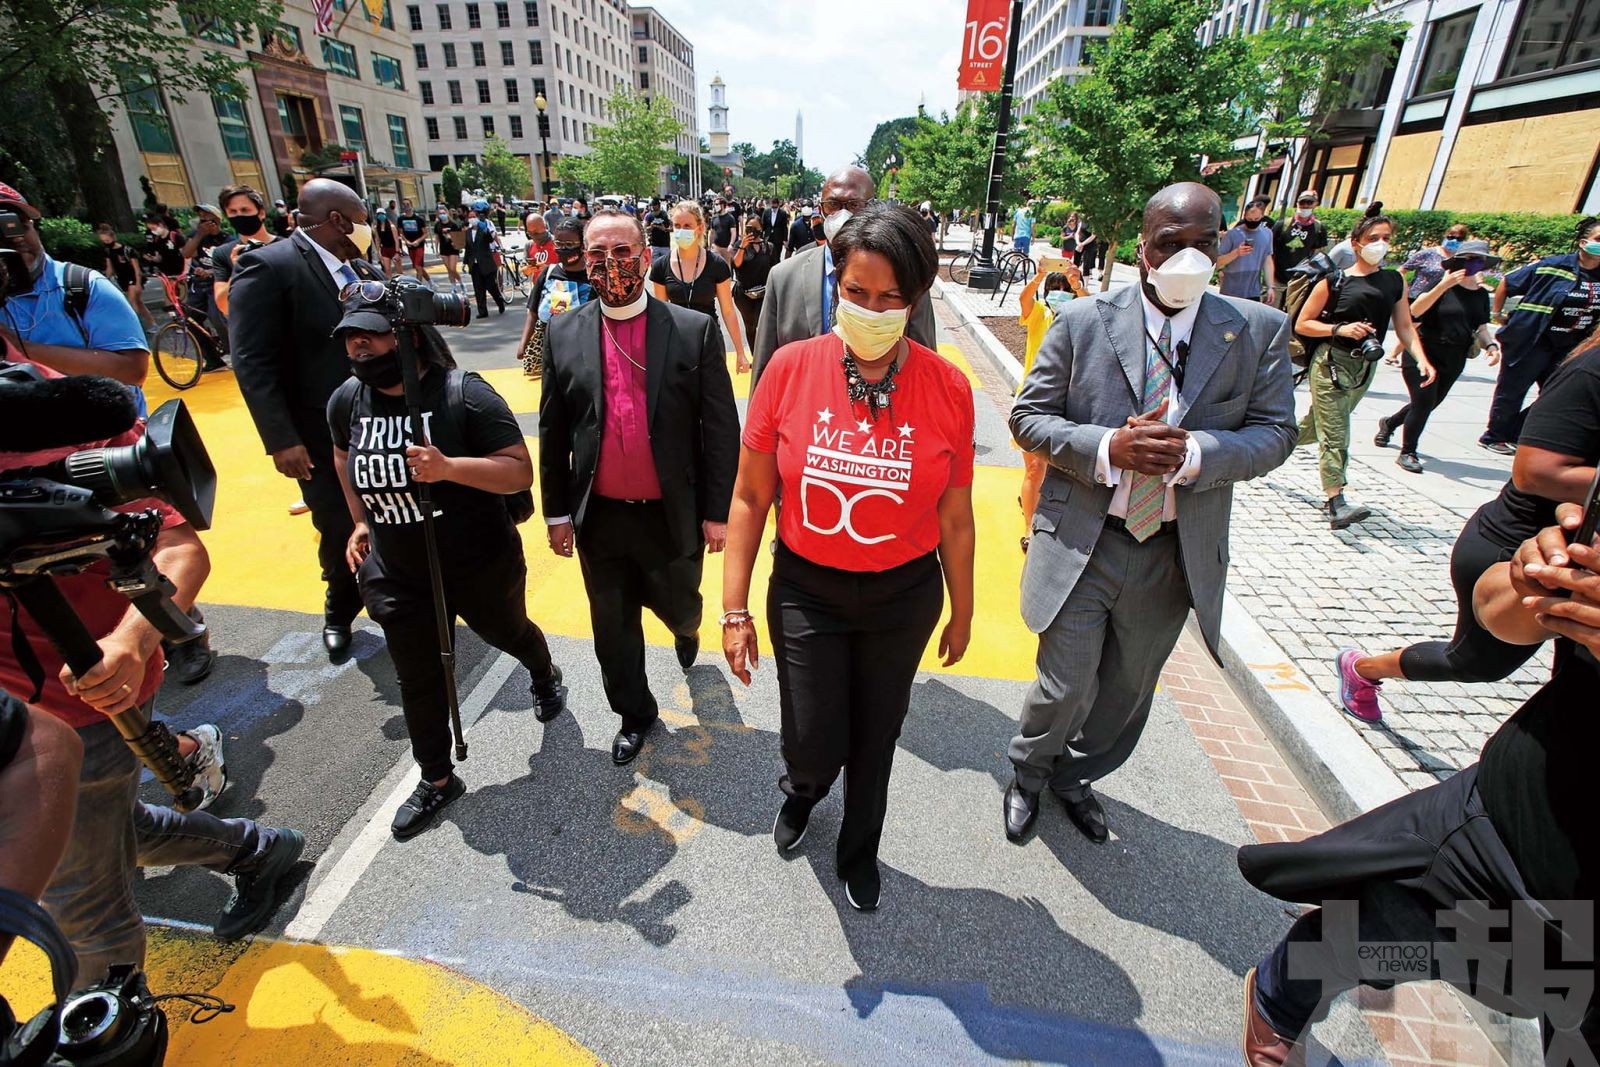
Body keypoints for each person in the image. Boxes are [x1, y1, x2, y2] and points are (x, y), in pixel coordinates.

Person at [1239, 506, 1600, 1066]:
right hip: (1514, 840)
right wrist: (1529, 580)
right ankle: (1279, 995)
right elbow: (1494, 610)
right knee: (1372, 945)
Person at [0, 333, 301, 983]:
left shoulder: (66, 413)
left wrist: (132, 644)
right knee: (110, 830)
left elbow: (179, 548)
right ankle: (256, 849)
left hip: (78, 699)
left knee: (82, 910)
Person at [1004, 181, 1298, 845]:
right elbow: (1028, 417)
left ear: (1222, 246)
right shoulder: (1082, 321)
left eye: (1204, 242)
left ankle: (1076, 775)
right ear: (1143, 249)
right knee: (1065, 679)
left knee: (1127, 690)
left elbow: (1276, 432)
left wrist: (1197, 453)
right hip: (1085, 537)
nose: (1188, 257)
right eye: (1171, 243)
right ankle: (1028, 770)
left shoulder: (1255, 331)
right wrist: (1110, 446)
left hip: (1169, 551)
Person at [721, 203, 975, 912]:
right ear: (835, 283)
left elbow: (955, 517)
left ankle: (859, 846)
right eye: (855, 291)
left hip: (903, 597)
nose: (870, 308)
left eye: (889, 297)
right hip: (807, 590)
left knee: (877, 734)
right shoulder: (788, 371)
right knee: (812, 738)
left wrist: (964, 609)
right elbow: (748, 497)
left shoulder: (949, 388)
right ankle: (803, 788)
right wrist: (734, 607)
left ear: (916, 298)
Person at [328, 288, 566, 839]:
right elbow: (342, 454)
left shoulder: (465, 394)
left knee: (508, 630)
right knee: (419, 677)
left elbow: (517, 471)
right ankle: (436, 778)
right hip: (397, 569)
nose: (360, 346)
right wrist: (360, 519)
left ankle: (543, 671)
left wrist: (447, 467)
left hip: (477, 560)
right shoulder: (347, 400)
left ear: (409, 335)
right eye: (350, 338)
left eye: (372, 334)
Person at [538, 209, 739, 766]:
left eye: (623, 252)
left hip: (670, 512)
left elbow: (721, 428)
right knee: (612, 628)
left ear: (644, 255)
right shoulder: (564, 331)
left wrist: (717, 511)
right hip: (600, 517)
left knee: (680, 606)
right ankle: (634, 713)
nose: (611, 264)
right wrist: (556, 513)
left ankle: (686, 626)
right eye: (597, 253)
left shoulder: (692, 330)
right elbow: (554, 431)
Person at [1335, 332, 1599, 722]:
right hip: (1515, 548)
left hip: (1579, 561)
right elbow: (1534, 471)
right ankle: (1362, 668)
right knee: (1475, 663)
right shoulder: (1592, 371)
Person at [228, 178, 384, 662]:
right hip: (316, 433)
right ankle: (340, 610)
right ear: (338, 220)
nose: (367, 226)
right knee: (340, 522)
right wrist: (281, 439)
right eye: (361, 216)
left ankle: (396, 603)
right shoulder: (269, 266)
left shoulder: (361, 268)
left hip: (377, 419)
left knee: (391, 514)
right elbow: (252, 360)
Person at [1293, 211, 1432, 529]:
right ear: (1356, 244)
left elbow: (1405, 326)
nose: (1380, 244)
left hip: (1365, 366)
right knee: (1336, 433)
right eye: (1373, 239)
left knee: (1317, 428)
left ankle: (1275, 442)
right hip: (1331, 363)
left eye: (1386, 238)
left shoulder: (1395, 281)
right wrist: (1340, 329)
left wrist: (1421, 358)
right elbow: (1303, 323)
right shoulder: (1335, 281)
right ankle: (1336, 501)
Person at [752, 167, 937, 385]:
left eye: (854, 205)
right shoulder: (783, 277)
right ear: (820, 209)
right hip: (803, 412)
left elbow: (925, 364)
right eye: (832, 205)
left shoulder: (905, 275)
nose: (842, 215)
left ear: (872, 206)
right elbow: (764, 370)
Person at [0, 182, 150, 417]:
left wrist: (21, 349)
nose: (16, 238)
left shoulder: (83, 285)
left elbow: (133, 370)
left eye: (21, 225)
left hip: (104, 443)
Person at [1374, 239, 1501, 473]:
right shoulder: (1440, 285)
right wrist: (1443, 285)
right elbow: (1415, 311)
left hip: (1455, 357)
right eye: (1469, 259)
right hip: (1423, 352)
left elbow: (1481, 328)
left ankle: (1390, 422)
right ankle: (1408, 451)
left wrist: (1491, 346)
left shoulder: (1481, 295)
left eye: (1479, 260)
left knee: (1429, 403)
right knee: (1422, 403)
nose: (1473, 264)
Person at [1480, 217, 1600, 455]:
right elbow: (1507, 282)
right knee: (1513, 390)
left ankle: (1517, 430)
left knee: (1559, 392)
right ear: (1584, 242)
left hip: (1570, 345)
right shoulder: (1553, 266)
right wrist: (1497, 314)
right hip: (1532, 340)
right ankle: (1495, 436)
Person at [1015, 264, 1088, 552]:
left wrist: (1078, 284)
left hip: (1067, 404)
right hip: (1033, 401)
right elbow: (1024, 300)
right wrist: (1039, 276)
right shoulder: (1039, 315)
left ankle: (1037, 504)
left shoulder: (1079, 319)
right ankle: (1029, 529)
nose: (1060, 294)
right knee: (1034, 468)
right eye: (1054, 290)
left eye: (1065, 290)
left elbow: (1095, 308)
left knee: (1052, 471)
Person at [648, 200, 750, 373]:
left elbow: (728, 311)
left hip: (709, 342)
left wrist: (740, 352)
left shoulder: (716, 264)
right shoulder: (660, 267)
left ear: (700, 228)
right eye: (677, 225)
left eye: (687, 226)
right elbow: (660, 314)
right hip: (677, 343)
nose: (682, 230)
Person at [517, 216, 592, 378]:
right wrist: (524, 342)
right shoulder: (549, 272)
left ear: (582, 245)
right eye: (559, 244)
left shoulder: (593, 276)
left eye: (570, 244)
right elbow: (533, 310)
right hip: (549, 345)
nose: (564, 249)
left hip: (581, 348)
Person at [1268, 190, 1329, 309]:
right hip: (1277, 277)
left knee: (1291, 314)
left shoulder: (1318, 228)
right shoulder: (1282, 225)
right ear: (1297, 203)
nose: (1305, 206)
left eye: (1309, 202)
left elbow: (1318, 253)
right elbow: (1269, 250)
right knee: (1271, 312)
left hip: (1299, 280)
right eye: (1302, 202)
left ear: (1315, 204)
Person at [1216, 197, 1277, 303]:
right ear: (1244, 216)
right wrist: (1236, 253)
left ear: (1262, 217)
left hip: (1253, 290)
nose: (1252, 222)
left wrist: (1270, 286)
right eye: (1249, 219)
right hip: (1231, 290)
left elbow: (1267, 261)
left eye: (1256, 220)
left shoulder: (1267, 234)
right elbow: (1217, 263)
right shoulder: (1232, 234)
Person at [731, 217, 775, 359]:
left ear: (761, 229)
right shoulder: (739, 245)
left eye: (754, 228)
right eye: (748, 228)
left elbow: (775, 269)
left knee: (765, 325)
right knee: (750, 326)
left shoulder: (768, 247)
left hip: (764, 293)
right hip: (744, 295)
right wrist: (743, 246)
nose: (751, 231)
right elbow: (736, 264)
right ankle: (756, 357)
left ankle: (766, 356)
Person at [95, 223, 150, 330]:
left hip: (132, 278)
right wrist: (105, 279)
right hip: (122, 278)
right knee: (139, 303)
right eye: (104, 241)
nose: (106, 243)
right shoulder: (108, 251)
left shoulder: (127, 250)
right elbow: (109, 267)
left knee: (132, 302)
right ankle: (151, 323)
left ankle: (136, 327)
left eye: (107, 241)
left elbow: (136, 268)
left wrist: (138, 283)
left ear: (113, 238)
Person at [462, 200, 506, 318]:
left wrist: (486, 230)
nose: (471, 219)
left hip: (486, 263)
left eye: (473, 217)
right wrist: (465, 262)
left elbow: (490, 240)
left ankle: (499, 302)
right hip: (475, 265)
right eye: (469, 217)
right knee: (478, 288)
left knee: (491, 287)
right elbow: (468, 249)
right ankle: (482, 311)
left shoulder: (483, 228)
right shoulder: (468, 232)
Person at [396, 200, 429, 284]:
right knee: (417, 267)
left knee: (418, 266)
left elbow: (425, 234)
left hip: (419, 245)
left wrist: (418, 241)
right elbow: (401, 232)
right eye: (404, 204)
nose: (406, 206)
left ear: (411, 205)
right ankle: (430, 281)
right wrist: (406, 241)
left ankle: (418, 286)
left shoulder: (419, 219)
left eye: (407, 204)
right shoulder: (400, 219)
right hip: (410, 246)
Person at [433, 208, 464, 293]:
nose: (442, 215)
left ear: (447, 213)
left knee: (452, 268)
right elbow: (437, 238)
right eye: (440, 213)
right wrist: (436, 250)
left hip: (453, 249)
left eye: (443, 213)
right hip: (443, 249)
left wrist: (453, 241)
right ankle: (453, 286)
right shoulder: (437, 225)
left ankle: (461, 282)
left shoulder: (453, 224)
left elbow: (459, 237)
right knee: (449, 270)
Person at [522, 212, 557, 276]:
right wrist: (526, 270)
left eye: (536, 232)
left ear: (545, 227)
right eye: (530, 233)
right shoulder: (529, 245)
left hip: (555, 284)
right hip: (536, 285)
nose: (534, 236)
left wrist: (548, 269)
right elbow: (523, 269)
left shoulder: (557, 243)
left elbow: (566, 268)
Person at [374, 207, 401, 277]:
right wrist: (378, 251)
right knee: (387, 270)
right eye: (378, 214)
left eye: (382, 214)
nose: (380, 216)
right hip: (384, 249)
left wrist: (397, 252)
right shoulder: (377, 227)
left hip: (393, 248)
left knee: (399, 271)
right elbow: (377, 239)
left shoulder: (392, 226)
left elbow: (396, 240)